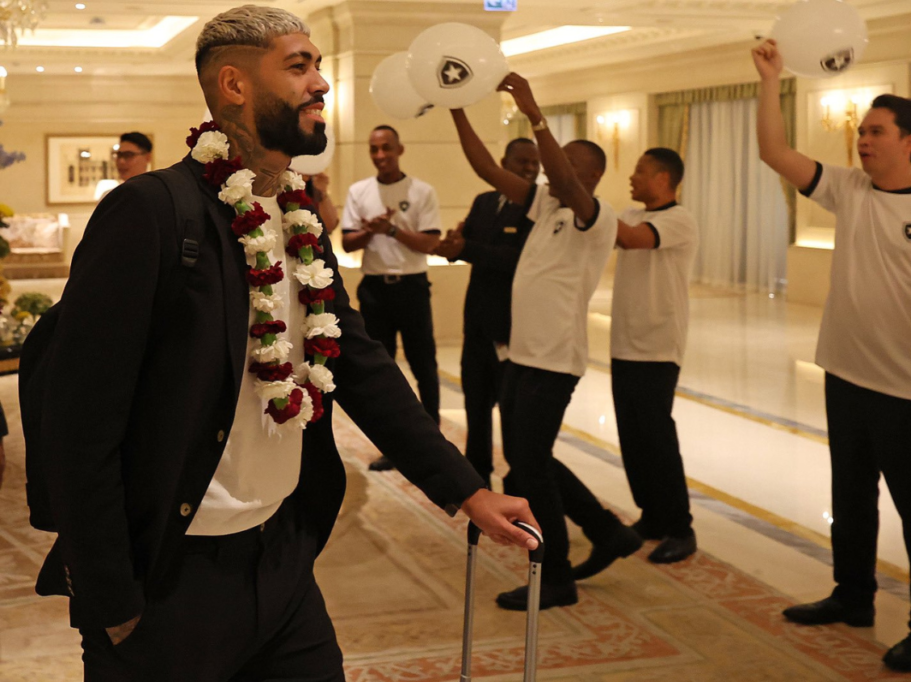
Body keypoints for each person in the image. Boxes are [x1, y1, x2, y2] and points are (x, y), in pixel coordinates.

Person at [34, 7, 538, 681]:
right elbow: (80, 418)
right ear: (236, 86)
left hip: (282, 563)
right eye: (299, 66)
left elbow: (358, 364)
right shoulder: (151, 212)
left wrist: (468, 490)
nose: (321, 84)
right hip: (170, 576)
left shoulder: (298, 213)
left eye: (320, 67)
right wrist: (111, 599)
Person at [753, 39, 911, 673]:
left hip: (905, 390)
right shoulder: (849, 190)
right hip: (844, 376)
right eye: (862, 130)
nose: (863, 140)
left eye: (876, 131)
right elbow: (775, 151)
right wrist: (772, 80)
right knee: (850, 498)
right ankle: (852, 596)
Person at [451, 73, 641, 612]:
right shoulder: (544, 208)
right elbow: (487, 168)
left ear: (593, 178)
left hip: (554, 360)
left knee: (527, 467)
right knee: (530, 459)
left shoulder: (595, 219)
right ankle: (608, 532)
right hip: (521, 356)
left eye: (571, 167)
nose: (557, 171)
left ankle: (555, 577)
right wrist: (454, 107)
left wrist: (535, 113)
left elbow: (561, 173)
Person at [578, 147, 699, 577]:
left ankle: (681, 528)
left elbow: (631, 238)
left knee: (656, 436)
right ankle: (652, 514)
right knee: (632, 435)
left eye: (641, 171)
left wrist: (584, 196)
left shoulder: (678, 220)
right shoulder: (631, 211)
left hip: (658, 345)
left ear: (665, 179)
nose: (633, 177)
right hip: (625, 343)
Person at [433, 138, 539, 487]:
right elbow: (469, 248)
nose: (529, 169)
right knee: (476, 411)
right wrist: (453, 245)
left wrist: (468, 247)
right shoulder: (484, 201)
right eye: (522, 162)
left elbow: (517, 260)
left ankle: (518, 482)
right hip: (476, 325)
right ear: (503, 163)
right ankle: (477, 482)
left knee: (512, 416)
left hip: (510, 329)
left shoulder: (537, 209)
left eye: (534, 164)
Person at [341, 125, 443, 472]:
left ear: (400, 148)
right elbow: (347, 243)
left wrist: (393, 230)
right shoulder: (359, 191)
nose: (380, 155)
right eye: (374, 149)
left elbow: (430, 243)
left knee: (423, 365)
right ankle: (395, 444)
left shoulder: (422, 191)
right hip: (374, 290)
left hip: (412, 288)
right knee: (381, 371)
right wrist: (371, 230)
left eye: (386, 148)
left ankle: (434, 443)